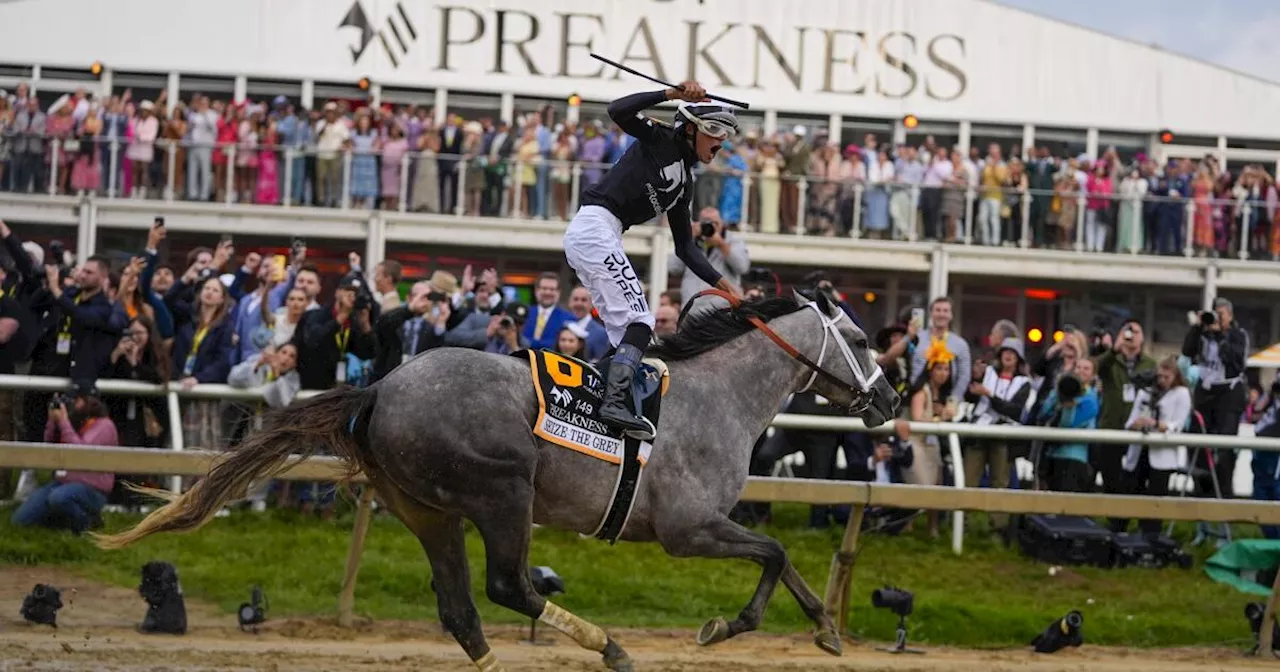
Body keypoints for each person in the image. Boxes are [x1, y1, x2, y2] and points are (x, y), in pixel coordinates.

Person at [564, 80, 742, 436]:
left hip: (601, 234)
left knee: (627, 334)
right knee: (641, 321)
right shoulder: (660, 138)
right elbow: (618, 110)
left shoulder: (685, 184)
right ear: (691, 129)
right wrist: (671, 95)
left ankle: (591, 397)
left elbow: (686, 248)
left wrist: (728, 289)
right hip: (596, 227)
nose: (721, 142)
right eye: (715, 132)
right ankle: (613, 404)